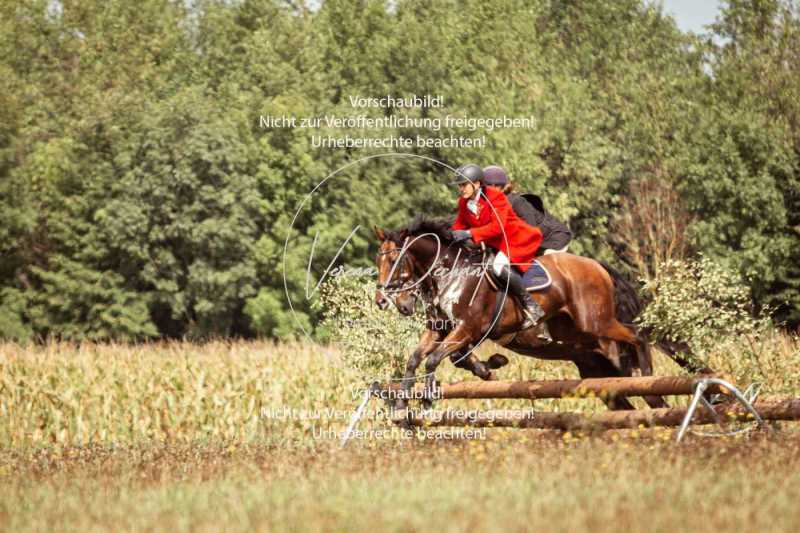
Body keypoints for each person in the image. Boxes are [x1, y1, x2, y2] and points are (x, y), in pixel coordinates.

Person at [450, 163, 551, 341]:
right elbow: (459, 225)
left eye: (464, 184)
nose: (461, 189)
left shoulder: (495, 197)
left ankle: (531, 306)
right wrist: (450, 237)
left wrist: (468, 233)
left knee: (497, 267)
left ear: (477, 184)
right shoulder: (464, 202)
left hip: (514, 239)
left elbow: (498, 227)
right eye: (459, 185)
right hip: (493, 242)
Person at [482, 165, 572, 255]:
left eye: (497, 185)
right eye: (488, 185)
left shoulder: (517, 202)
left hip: (553, 238)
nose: (493, 189)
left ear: (503, 187)